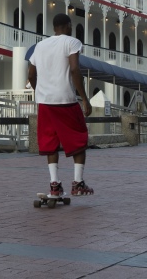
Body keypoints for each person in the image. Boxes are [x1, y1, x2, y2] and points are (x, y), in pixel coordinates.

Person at [28, 13, 94, 198]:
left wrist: (40, 90)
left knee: (50, 142)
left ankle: (54, 185)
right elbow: (74, 69)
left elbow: (31, 75)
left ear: (54, 27)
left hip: (45, 102)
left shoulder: (39, 46)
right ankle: (78, 183)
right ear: (68, 25)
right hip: (65, 100)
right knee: (79, 138)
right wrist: (84, 98)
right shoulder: (72, 42)